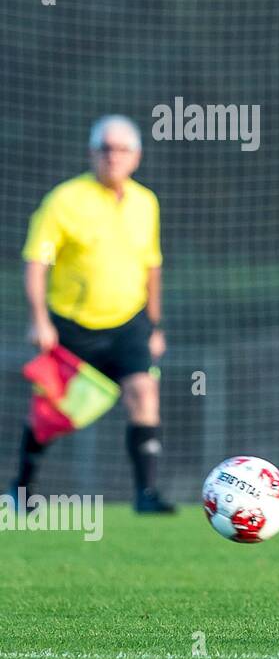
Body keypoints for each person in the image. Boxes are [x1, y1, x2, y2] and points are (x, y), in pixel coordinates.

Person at [7, 115, 172, 513]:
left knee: (144, 393)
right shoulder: (64, 200)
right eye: (105, 149)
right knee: (50, 412)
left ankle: (146, 495)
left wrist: (154, 325)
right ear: (91, 153)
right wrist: (39, 319)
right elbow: (36, 263)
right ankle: (21, 490)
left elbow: (152, 266)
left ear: (136, 157)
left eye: (121, 149)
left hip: (129, 322)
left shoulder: (145, 202)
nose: (112, 157)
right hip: (71, 325)